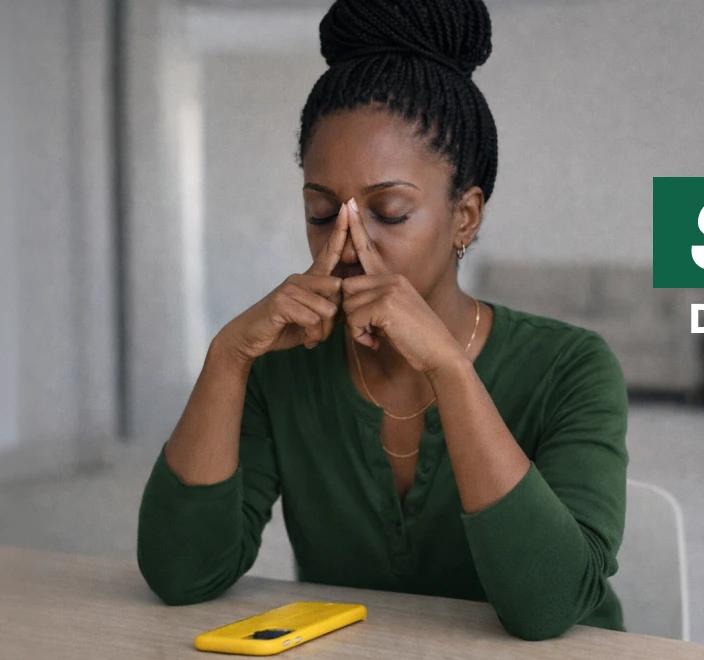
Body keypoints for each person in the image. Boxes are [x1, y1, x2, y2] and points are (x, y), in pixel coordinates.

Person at [135, 0, 629, 641]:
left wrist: (449, 368)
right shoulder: (282, 367)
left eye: (389, 211)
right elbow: (182, 575)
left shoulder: (573, 367)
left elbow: (549, 605)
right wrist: (228, 358)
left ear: (465, 217)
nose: (344, 245)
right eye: (320, 212)